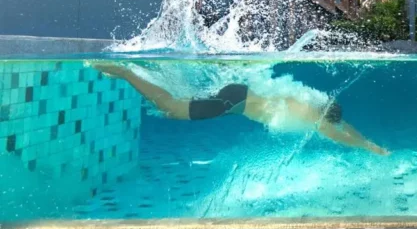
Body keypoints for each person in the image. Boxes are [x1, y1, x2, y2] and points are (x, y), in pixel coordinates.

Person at [93, 63, 390, 156]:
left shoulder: (310, 103)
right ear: (326, 117)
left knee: (181, 96)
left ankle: (146, 68)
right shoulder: (316, 119)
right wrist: (369, 148)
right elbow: (341, 135)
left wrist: (366, 140)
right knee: (169, 108)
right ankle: (125, 73)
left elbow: (344, 126)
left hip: (237, 94)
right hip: (232, 102)